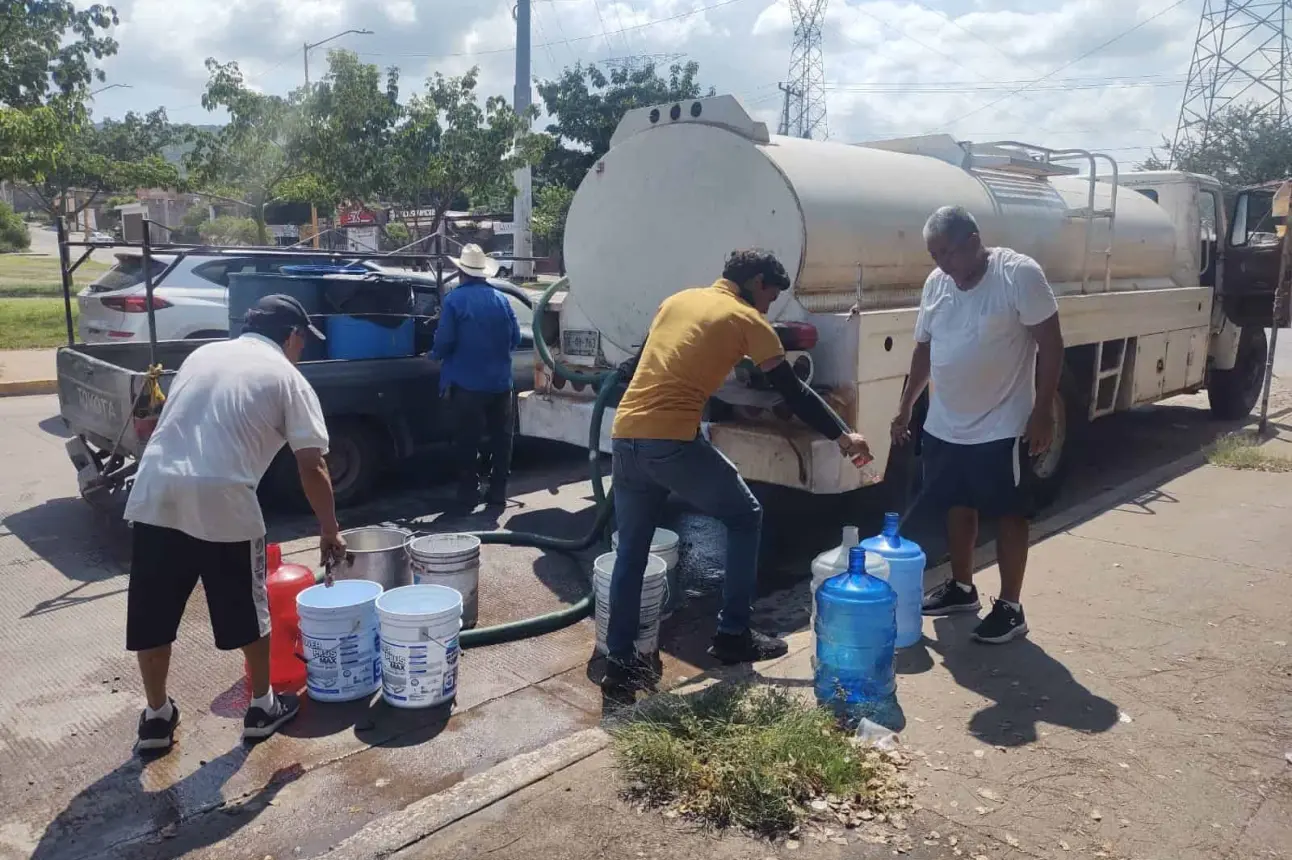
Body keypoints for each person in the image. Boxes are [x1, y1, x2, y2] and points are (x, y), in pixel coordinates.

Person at [603, 249, 872, 692]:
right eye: (771, 294)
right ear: (757, 282)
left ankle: (620, 662)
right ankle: (733, 635)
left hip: (625, 433)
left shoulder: (678, 301)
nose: (770, 305)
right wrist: (845, 436)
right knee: (745, 516)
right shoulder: (747, 319)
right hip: (670, 440)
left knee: (631, 552)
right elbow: (793, 391)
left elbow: (635, 367)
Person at [123, 294, 346, 752]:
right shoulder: (288, 377)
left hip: (154, 490)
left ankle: (156, 717)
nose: (301, 349)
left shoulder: (201, 354)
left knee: (153, 612)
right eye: (302, 341)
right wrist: (329, 529)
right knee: (248, 608)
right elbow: (312, 465)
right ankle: (262, 706)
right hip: (223, 498)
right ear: (291, 336)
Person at [891, 206, 1064, 644]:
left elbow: (1051, 343)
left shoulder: (1017, 275)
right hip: (946, 424)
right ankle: (962, 588)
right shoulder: (938, 284)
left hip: (1002, 425)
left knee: (1009, 512)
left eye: (947, 253)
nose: (942, 265)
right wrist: (907, 405)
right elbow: (923, 349)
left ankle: (1010, 606)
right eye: (934, 256)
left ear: (973, 240)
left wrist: (1043, 410)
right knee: (956, 503)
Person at [432, 244, 521, 511]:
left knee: (467, 441)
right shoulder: (502, 299)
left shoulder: (455, 300)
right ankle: (498, 493)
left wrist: (433, 354)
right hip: (500, 384)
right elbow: (515, 338)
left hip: (467, 386)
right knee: (501, 440)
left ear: (462, 272)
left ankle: (469, 494)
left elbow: (445, 341)